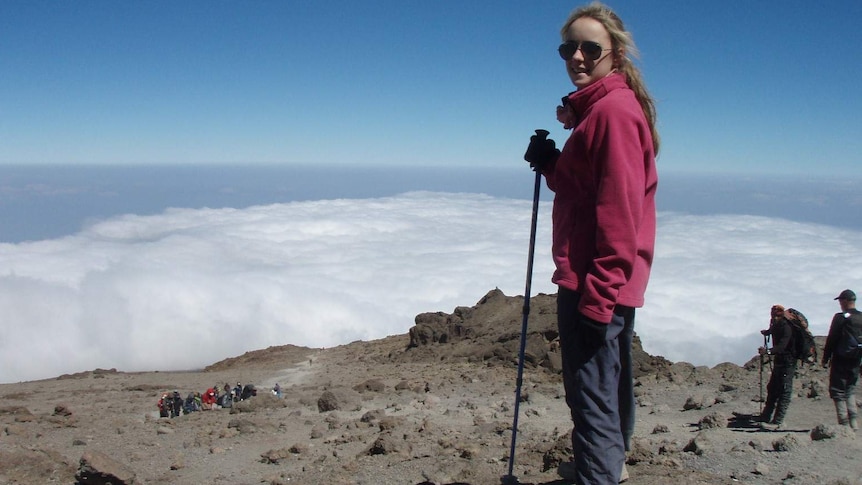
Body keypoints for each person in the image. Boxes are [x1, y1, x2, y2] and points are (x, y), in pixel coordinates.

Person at [523, 3, 659, 483]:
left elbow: (619, 215)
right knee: (608, 386)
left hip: (595, 281)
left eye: (590, 48)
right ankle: (610, 469)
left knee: (591, 399)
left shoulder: (613, 114)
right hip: (606, 280)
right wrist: (553, 165)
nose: (577, 57)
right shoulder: (603, 111)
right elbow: (587, 190)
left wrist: (597, 298)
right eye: (568, 48)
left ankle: (599, 473)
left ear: (615, 53)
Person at [822, 289, 862, 429]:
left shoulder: (840, 317)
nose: (839, 303)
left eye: (840, 300)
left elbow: (832, 339)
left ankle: (844, 424)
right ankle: (854, 422)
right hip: (856, 359)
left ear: (845, 301)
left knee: (838, 390)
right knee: (850, 389)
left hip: (840, 358)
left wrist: (826, 358)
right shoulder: (861, 317)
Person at [758, 305, 796, 428]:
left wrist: (768, 351)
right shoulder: (776, 324)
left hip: (788, 361)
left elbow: (782, 346)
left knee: (784, 390)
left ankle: (778, 421)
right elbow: (773, 332)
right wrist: (767, 332)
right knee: (773, 388)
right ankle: (766, 416)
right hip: (780, 360)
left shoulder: (786, 326)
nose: (772, 316)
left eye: (774, 314)